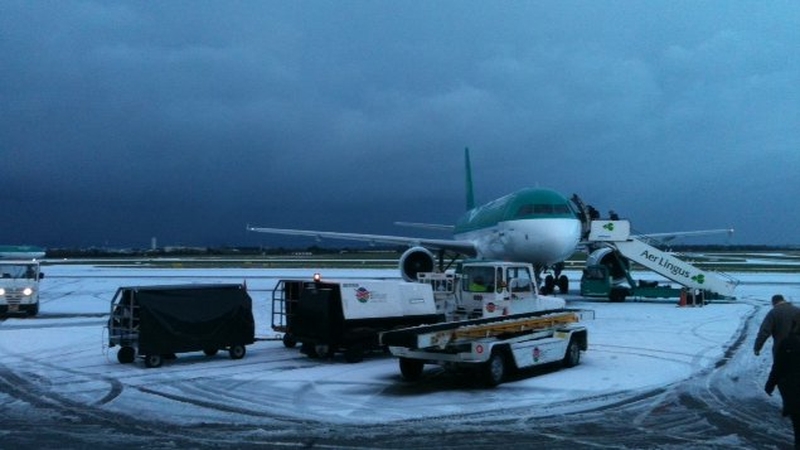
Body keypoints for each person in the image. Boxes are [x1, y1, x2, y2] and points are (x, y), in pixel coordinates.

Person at [764, 312, 800, 449]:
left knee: (797, 421)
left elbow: (779, 366)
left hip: (793, 387)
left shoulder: (789, 342)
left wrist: (770, 384)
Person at [754, 294, 800, 359]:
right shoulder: (797, 310)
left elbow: (764, 332)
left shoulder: (773, 312)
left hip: (781, 348)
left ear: (773, 302)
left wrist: (757, 347)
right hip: (798, 346)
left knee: (781, 368)